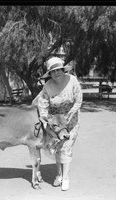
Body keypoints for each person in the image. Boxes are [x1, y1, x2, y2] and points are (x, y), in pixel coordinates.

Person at [37, 57, 82, 191]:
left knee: (66, 148)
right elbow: (43, 102)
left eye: (58, 70)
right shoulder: (47, 86)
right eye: (53, 71)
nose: (56, 73)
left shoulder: (72, 80)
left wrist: (70, 115)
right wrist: (44, 118)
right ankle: (59, 175)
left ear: (63, 70)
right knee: (57, 148)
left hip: (70, 120)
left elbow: (78, 100)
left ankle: (66, 177)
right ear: (50, 74)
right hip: (55, 122)